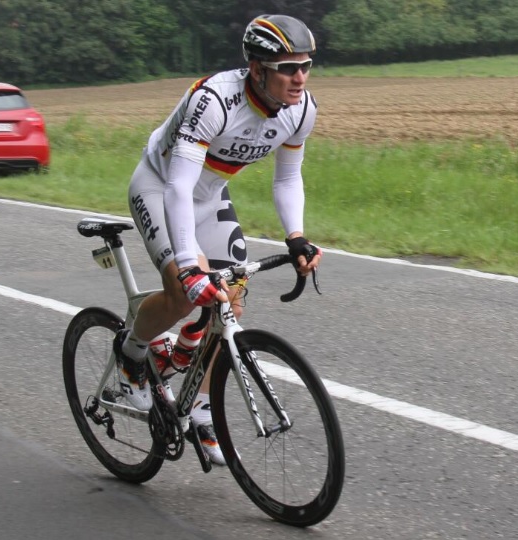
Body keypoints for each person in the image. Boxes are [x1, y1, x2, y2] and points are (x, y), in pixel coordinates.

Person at [115, 14, 322, 465]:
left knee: (230, 300)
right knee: (183, 293)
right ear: (257, 68)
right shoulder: (213, 100)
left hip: (209, 196)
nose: (300, 77)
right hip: (161, 187)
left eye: (305, 65)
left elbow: (288, 179)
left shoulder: (301, 110)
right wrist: (188, 265)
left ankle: (201, 408)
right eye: (288, 67)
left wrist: (297, 237)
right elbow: (178, 186)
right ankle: (132, 356)